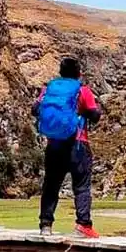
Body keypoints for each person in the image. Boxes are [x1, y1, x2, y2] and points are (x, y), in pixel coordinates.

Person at [32, 56, 102, 238]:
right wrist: (87, 111)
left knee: (51, 185)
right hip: (78, 144)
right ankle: (83, 225)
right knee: (81, 186)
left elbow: (35, 109)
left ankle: (45, 225)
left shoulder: (48, 90)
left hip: (54, 145)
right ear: (79, 73)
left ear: (60, 72)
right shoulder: (82, 90)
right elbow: (95, 116)